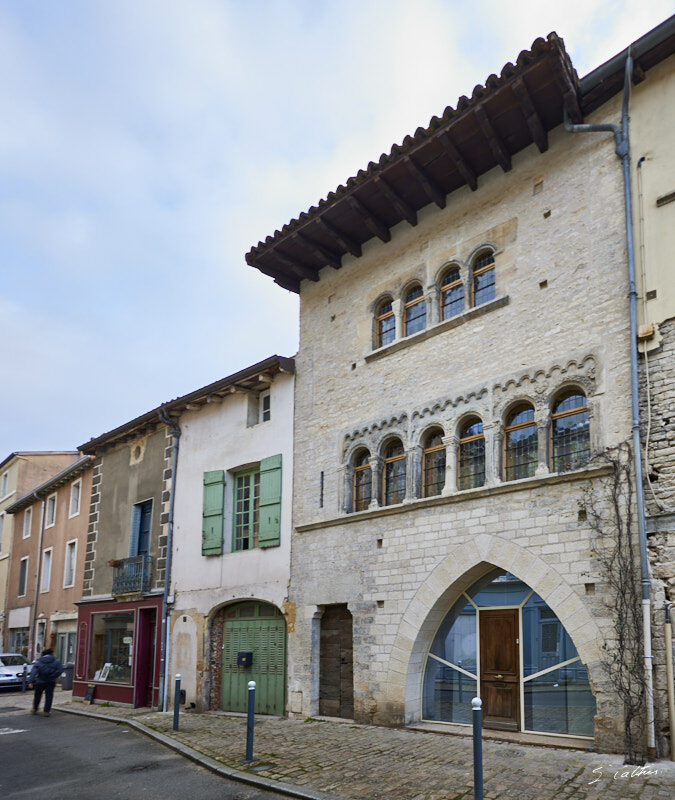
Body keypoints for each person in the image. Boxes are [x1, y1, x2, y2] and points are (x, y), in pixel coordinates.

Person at [29, 648, 63, 717]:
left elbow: (33, 672)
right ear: (51, 654)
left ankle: (35, 709)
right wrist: (53, 676)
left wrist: (30, 681)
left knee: (37, 695)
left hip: (40, 680)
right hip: (51, 681)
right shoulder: (56, 661)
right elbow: (60, 670)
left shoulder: (38, 661)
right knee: (49, 696)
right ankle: (46, 711)